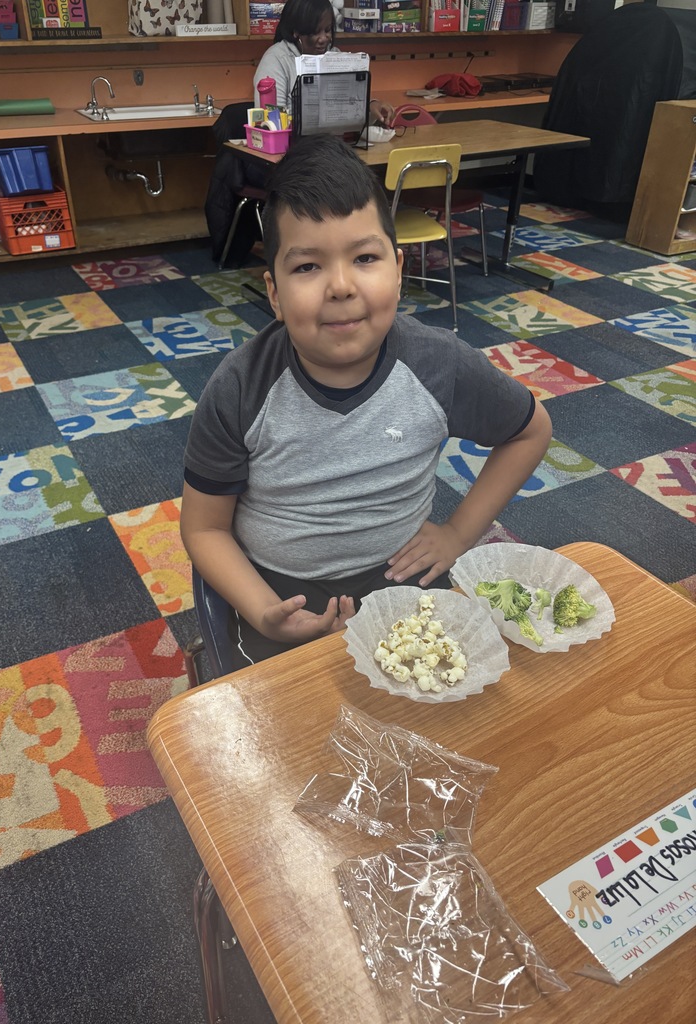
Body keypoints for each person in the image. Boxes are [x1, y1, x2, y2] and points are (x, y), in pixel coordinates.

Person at [181, 136, 553, 667]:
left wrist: (455, 533)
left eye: (364, 258)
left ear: (398, 270)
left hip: (403, 584)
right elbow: (204, 527)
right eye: (307, 267)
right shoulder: (239, 388)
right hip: (278, 595)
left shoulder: (438, 364)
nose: (340, 286)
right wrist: (265, 611)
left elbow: (530, 431)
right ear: (274, 293)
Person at [253, 0, 393, 124]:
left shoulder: (334, 54)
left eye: (327, 30)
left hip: (331, 145)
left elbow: (351, 113)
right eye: (315, 32)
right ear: (296, 32)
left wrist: (371, 107)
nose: (324, 39)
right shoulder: (276, 60)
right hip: (293, 149)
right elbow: (272, 121)